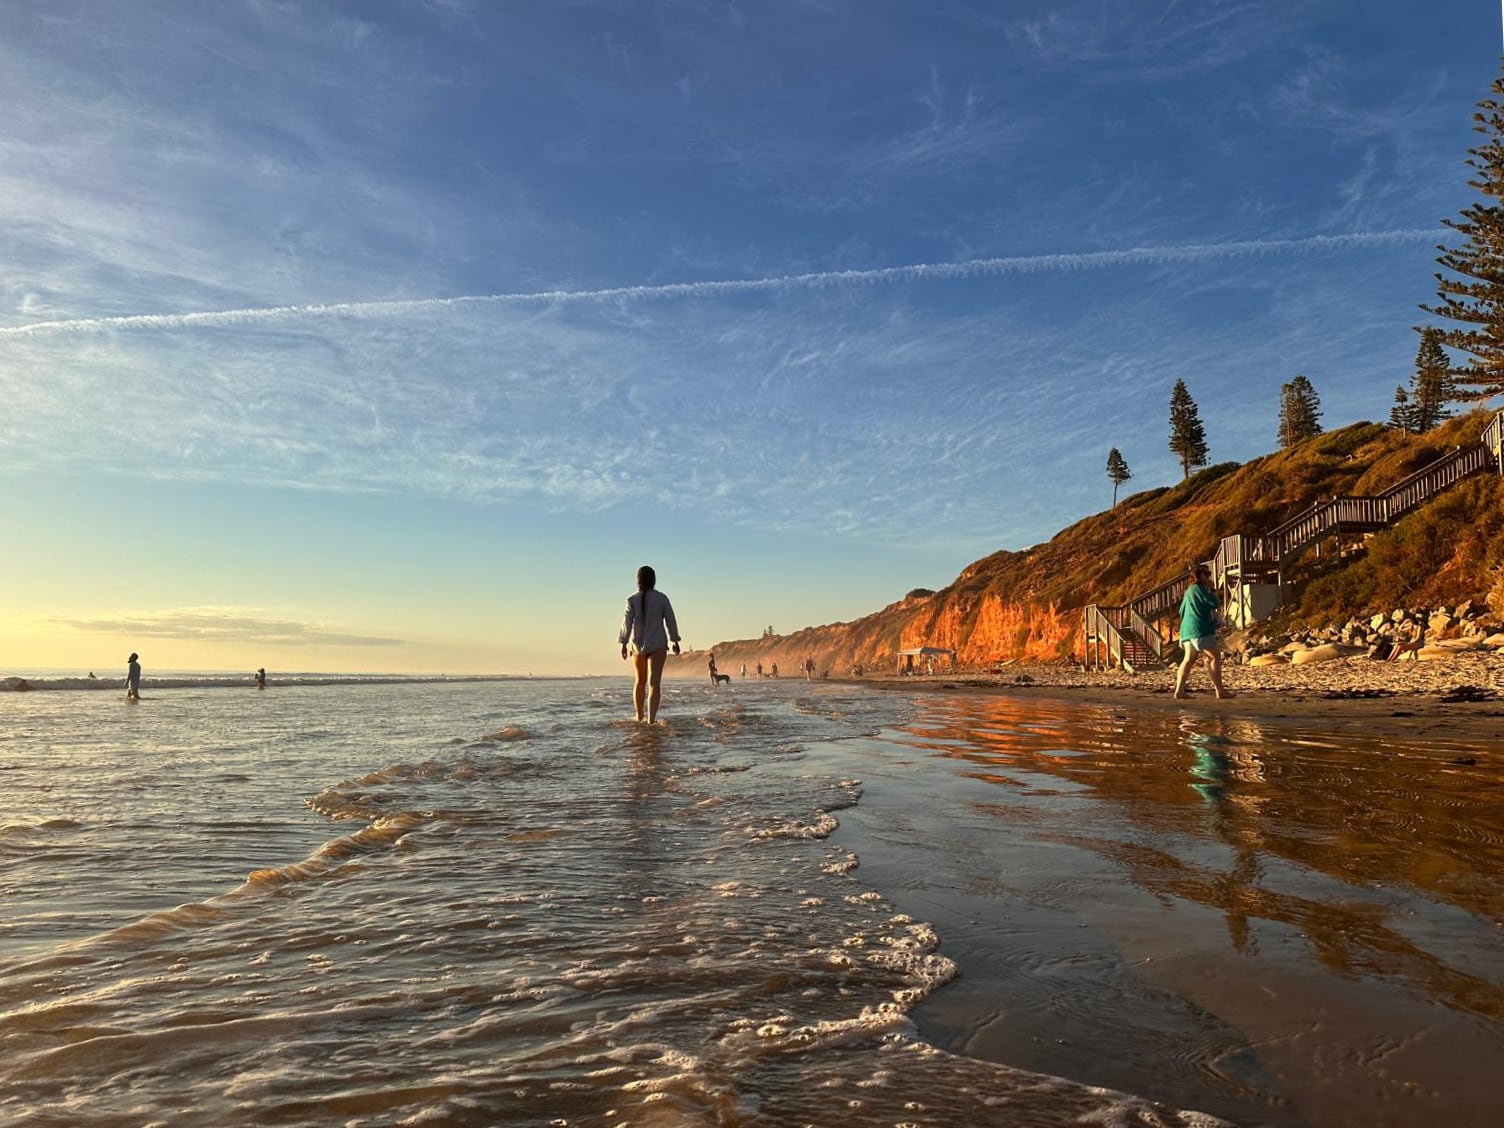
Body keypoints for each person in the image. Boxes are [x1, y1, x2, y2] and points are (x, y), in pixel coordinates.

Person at [618, 565, 681, 723]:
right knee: (654, 684)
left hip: (637, 647)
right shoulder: (661, 598)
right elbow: (670, 621)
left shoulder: (631, 599)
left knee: (640, 682)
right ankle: (651, 720)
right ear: (654, 580)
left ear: (638, 581)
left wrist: (624, 643)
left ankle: (639, 716)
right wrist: (675, 640)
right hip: (658, 645)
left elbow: (626, 624)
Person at [1173, 565, 1229, 700]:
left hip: (1186, 630)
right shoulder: (1199, 589)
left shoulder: (1188, 591)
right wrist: (1213, 590)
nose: (1209, 576)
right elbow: (1214, 603)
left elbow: (1181, 610)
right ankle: (1220, 691)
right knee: (1214, 656)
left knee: (1188, 659)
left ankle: (1179, 691)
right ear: (1199, 575)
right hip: (1200, 629)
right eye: (1207, 574)